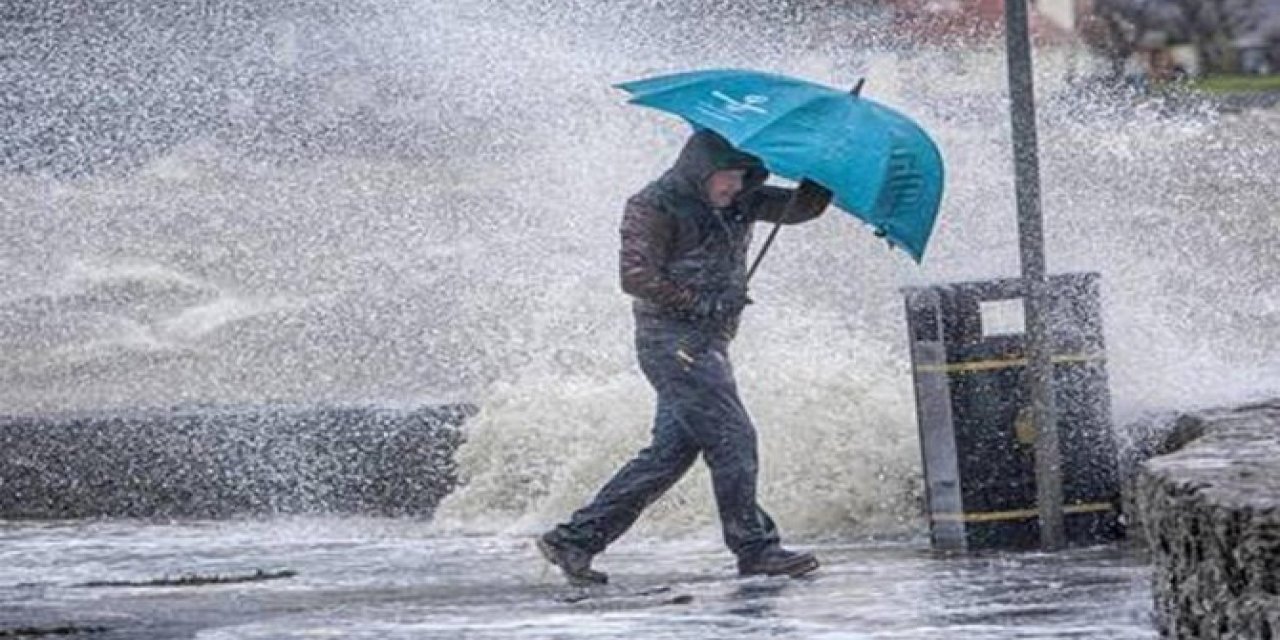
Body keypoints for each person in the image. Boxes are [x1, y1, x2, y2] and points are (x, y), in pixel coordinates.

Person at [536, 129, 833, 585]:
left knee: (669, 455)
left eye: (742, 176)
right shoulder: (653, 204)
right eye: (727, 177)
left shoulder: (743, 200)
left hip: (709, 342)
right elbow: (634, 277)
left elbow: (802, 208)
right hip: (670, 342)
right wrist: (697, 302)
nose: (734, 187)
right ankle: (756, 550)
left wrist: (823, 168)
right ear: (701, 170)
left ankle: (575, 540)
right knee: (734, 438)